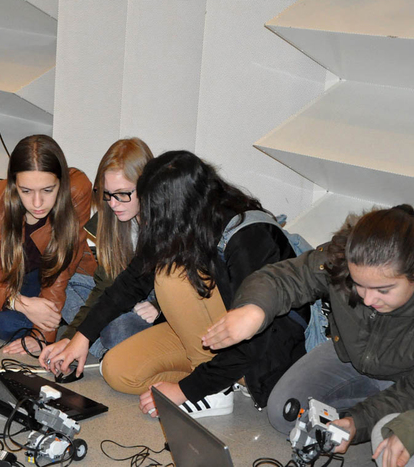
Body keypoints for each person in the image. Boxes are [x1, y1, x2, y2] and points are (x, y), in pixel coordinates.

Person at [41, 150, 308, 418]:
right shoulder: (180, 220)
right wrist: (81, 338)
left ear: (176, 206)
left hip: (260, 350)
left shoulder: (249, 237)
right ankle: (218, 378)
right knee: (117, 371)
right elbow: (130, 283)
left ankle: (212, 390)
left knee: (170, 275)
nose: (146, 217)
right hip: (211, 338)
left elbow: (257, 341)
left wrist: (184, 391)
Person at [202, 205, 414, 452]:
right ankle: (363, 412)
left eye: (383, 290)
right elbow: (284, 277)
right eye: (359, 285)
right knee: (284, 413)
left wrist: (359, 422)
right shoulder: (339, 259)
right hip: (348, 354)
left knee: (386, 434)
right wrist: (254, 309)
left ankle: (375, 415)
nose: (367, 300)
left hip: (405, 381)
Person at [0, 134, 96, 352]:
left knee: (6, 325)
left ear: (60, 183)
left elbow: (63, 266)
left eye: (47, 190)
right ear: (14, 184)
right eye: (26, 191)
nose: (37, 203)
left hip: (41, 274)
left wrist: (43, 333)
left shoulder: (77, 191)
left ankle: (37, 311)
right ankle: (14, 305)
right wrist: (19, 303)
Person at [60, 138, 159, 359]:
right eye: (107, 193)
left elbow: (191, 292)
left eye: (122, 194)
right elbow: (105, 286)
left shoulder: (166, 224)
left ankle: (104, 348)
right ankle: (101, 350)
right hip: (119, 298)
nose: (113, 204)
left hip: (151, 305)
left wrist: (159, 307)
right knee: (61, 287)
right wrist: (71, 337)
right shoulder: (109, 219)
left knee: (117, 331)